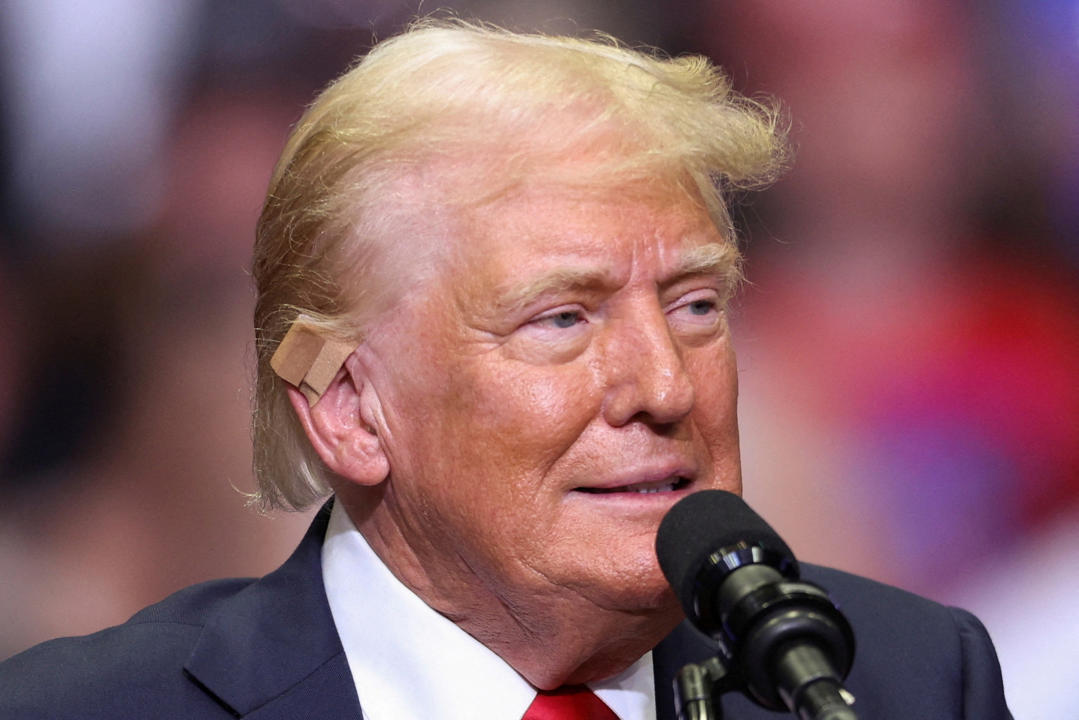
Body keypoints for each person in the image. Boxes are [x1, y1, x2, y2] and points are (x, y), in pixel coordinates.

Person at [0, 20, 1011, 719]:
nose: (663, 385)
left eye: (694, 305)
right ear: (351, 406)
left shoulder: (893, 683)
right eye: (561, 319)